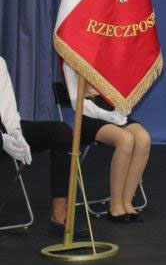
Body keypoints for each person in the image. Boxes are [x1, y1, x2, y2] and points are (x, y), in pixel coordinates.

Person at [0, 56, 87, 236]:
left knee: (60, 132)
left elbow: (7, 108)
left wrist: (15, 132)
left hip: (4, 128)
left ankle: (59, 215)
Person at [63, 67, 150, 224]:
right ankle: (115, 205)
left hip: (113, 111)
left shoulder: (108, 56)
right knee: (125, 139)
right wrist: (108, 116)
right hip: (88, 115)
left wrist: (121, 109)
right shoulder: (70, 59)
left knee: (143, 139)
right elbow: (77, 103)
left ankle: (127, 202)